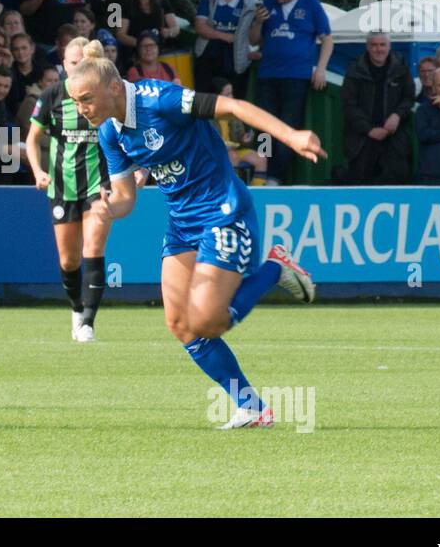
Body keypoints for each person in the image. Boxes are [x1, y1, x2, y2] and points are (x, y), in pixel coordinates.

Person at [68, 54, 323, 428]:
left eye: (85, 98)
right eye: (75, 101)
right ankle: (251, 407)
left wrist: (291, 135)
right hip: (183, 225)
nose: (81, 108)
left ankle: (274, 268)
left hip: (224, 212)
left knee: (206, 322)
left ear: (113, 87)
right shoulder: (109, 133)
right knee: (180, 325)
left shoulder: (161, 100)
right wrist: (109, 208)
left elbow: (232, 106)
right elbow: (126, 198)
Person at [26, 37, 116, 343]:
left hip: (98, 185)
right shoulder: (51, 96)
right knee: (68, 261)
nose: (78, 67)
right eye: (72, 63)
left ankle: (89, 322)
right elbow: (32, 139)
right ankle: (77, 309)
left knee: (93, 249)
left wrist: (137, 170)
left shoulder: (104, 97)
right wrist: (38, 172)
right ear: (64, 65)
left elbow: (125, 135)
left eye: (83, 62)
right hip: (62, 186)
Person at [247, 0, 333, 184]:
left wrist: (321, 69)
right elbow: (254, 40)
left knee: (288, 127)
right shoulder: (267, 5)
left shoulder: (311, 5)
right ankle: (261, 169)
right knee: (263, 126)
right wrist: (258, 23)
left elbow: (327, 39)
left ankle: (275, 176)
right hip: (267, 75)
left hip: (296, 77)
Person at [340, 31, 414, 184]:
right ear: (367, 47)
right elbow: (349, 105)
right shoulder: (355, 70)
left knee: (397, 183)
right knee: (360, 186)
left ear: (389, 47)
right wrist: (369, 129)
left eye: (382, 45)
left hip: (394, 138)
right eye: (374, 45)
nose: (378, 49)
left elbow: (409, 97)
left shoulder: (401, 67)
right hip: (362, 140)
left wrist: (397, 115)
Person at [193, 0, 258, 100]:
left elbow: (257, 33)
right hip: (210, 54)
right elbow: (200, 26)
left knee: (235, 97)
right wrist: (224, 36)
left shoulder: (252, 3)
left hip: (237, 57)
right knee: (205, 98)